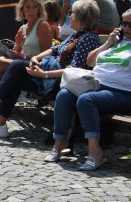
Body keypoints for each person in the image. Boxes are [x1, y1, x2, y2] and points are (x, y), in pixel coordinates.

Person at [0, 0, 100, 137]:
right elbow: (54, 49)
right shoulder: (76, 34)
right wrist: (35, 58)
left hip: (59, 82)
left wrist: (44, 74)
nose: (69, 15)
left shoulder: (88, 38)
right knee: (16, 75)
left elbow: (73, 70)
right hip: (50, 73)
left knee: (17, 67)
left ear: (81, 16)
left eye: (71, 12)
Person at [46, 10, 131, 171]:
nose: (126, 28)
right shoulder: (116, 43)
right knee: (64, 94)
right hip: (98, 86)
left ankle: (95, 152)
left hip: (123, 92)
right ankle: (60, 143)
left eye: (130, 25)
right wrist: (108, 43)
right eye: (124, 24)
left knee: (86, 100)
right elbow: (90, 61)